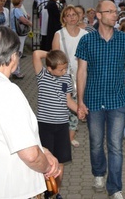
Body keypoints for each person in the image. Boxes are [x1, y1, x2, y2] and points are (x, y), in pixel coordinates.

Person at [0, 26, 60, 198]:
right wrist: (47, 167)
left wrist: (43, 150)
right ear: (12, 57)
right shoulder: (6, 91)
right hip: (9, 190)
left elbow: (4, 137)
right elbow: (30, 155)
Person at [75, 0, 125, 199]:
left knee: (115, 145)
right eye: (110, 11)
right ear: (98, 15)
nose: (115, 15)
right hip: (93, 100)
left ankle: (115, 188)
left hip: (117, 100)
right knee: (96, 143)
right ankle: (98, 173)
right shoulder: (86, 40)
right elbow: (81, 72)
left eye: (116, 11)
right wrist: (79, 101)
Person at [32, 49, 78, 193]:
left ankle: (55, 191)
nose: (63, 71)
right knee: (45, 161)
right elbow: (36, 54)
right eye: (60, 69)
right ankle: (44, 190)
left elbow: (68, 100)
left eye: (65, 68)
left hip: (62, 126)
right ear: (50, 68)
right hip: (45, 125)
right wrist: (52, 55)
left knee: (61, 161)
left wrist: (80, 110)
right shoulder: (42, 75)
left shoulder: (67, 78)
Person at [52, 4, 89, 148]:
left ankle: (70, 137)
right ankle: (60, 136)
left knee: (76, 107)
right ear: (64, 19)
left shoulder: (85, 35)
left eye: (74, 14)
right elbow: (54, 57)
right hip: (63, 78)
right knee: (62, 108)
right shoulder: (59, 34)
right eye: (68, 15)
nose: (72, 17)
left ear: (79, 16)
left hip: (80, 76)